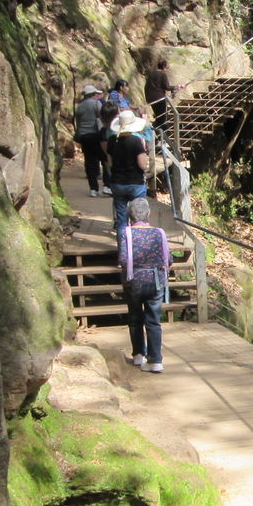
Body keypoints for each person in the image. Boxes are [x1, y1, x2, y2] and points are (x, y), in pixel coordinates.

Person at [119, 198, 170, 373]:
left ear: (129, 215)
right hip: (156, 281)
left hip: (134, 281)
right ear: (148, 214)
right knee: (153, 321)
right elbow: (168, 260)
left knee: (135, 318)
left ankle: (138, 355)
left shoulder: (126, 233)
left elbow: (124, 259)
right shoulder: (159, 233)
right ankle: (155, 360)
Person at [107, 109, 150, 240]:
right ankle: (139, 244)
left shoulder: (112, 140)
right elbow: (143, 165)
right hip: (135, 183)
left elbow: (110, 163)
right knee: (139, 215)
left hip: (117, 182)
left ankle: (123, 247)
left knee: (121, 217)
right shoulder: (136, 141)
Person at [72, 85, 106, 197]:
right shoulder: (96, 104)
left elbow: (77, 122)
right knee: (104, 158)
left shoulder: (79, 106)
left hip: (84, 136)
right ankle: (107, 185)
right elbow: (102, 117)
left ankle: (93, 189)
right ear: (92, 94)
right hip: (96, 135)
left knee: (89, 161)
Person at [144, 59, 179, 135]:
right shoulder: (162, 74)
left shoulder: (151, 74)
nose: (167, 69)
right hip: (160, 98)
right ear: (164, 66)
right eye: (167, 67)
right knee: (162, 119)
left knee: (158, 116)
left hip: (151, 99)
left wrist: (147, 98)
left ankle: (156, 134)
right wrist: (176, 87)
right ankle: (161, 136)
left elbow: (146, 87)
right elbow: (166, 87)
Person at [98, 100, 120, 194]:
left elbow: (106, 151)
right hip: (117, 161)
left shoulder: (103, 131)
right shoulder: (119, 130)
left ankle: (110, 186)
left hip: (109, 160)